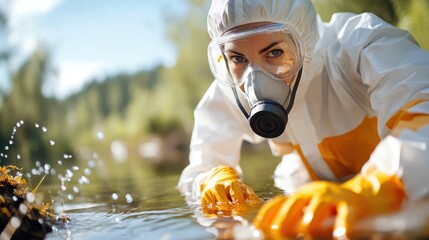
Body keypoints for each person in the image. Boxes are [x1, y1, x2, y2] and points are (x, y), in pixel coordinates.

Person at [178, 0, 429, 238]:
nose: (254, 81)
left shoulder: (361, 43)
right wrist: (211, 180)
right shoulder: (231, 89)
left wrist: (385, 185)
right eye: (238, 58)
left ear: (304, 40)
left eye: (275, 52)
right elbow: (201, 166)